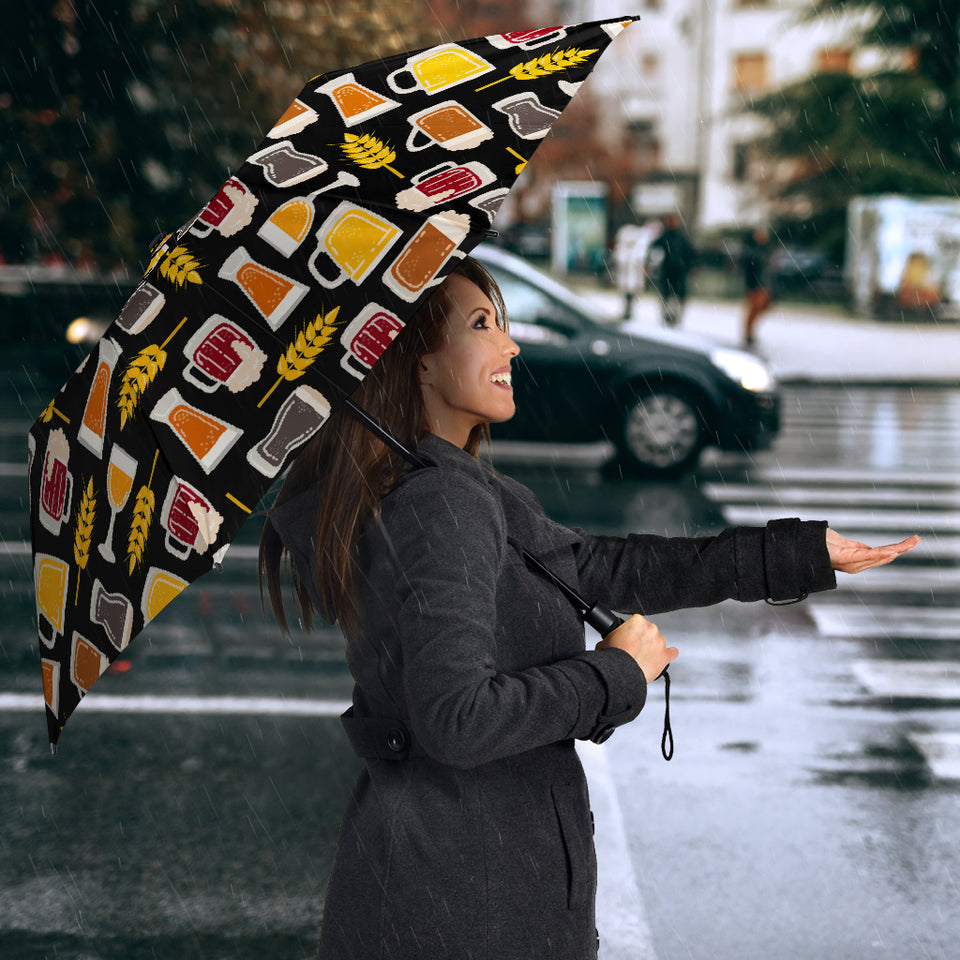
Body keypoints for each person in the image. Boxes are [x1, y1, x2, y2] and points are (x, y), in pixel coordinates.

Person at [259, 256, 920, 960]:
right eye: (482, 325)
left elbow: (603, 568)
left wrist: (795, 554)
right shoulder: (440, 504)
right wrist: (613, 674)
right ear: (418, 363)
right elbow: (457, 719)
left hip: (458, 882)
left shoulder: (453, 489)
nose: (510, 345)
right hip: (465, 900)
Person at [648, 213, 695, 327]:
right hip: (668, 270)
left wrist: (690, 267)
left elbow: (690, 253)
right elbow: (654, 249)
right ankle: (667, 315)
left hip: (679, 271)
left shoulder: (681, 237)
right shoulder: (665, 236)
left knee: (677, 295)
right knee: (667, 294)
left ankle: (675, 316)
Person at [741, 226, 773, 347]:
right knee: (754, 308)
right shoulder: (751, 250)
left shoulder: (763, 249)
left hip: (763, 283)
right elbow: (750, 265)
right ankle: (748, 333)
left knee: (762, 306)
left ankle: (750, 331)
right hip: (755, 284)